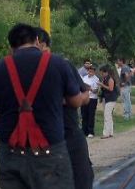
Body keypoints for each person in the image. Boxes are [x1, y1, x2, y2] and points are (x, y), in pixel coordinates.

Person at [0, 23, 86, 189]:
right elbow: (75, 101)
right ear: (37, 40)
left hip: (10, 152)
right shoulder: (58, 64)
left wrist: (10, 116)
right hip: (50, 152)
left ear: (11, 46)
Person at [34, 27, 94, 189]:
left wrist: (68, 100)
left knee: (81, 178)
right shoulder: (22, 69)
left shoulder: (61, 64)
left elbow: (85, 95)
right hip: (39, 141)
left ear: (41, 43)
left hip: (69, 135)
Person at [98, 64, 119, 139]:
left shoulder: (110, 79)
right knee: (109, 115)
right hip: (106, 98)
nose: (101, 74)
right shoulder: (105, 78)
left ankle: (106, 133)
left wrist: (102, 85)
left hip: (111, 99)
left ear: (106, 72)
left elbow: (111, 89)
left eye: (102, 73)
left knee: (107, 115)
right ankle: (110, 132)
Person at [81, 66, 100, 137]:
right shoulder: (84, 78)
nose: (90, 72)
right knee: (84, 115)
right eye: (89, 71)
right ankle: (84, 131)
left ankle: (90, 131)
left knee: (91, 115)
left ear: (94, 72)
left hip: (92, 98)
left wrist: (90, 89)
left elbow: (96, 91)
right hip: (84, 97)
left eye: (91, 71)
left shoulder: (96, 79)